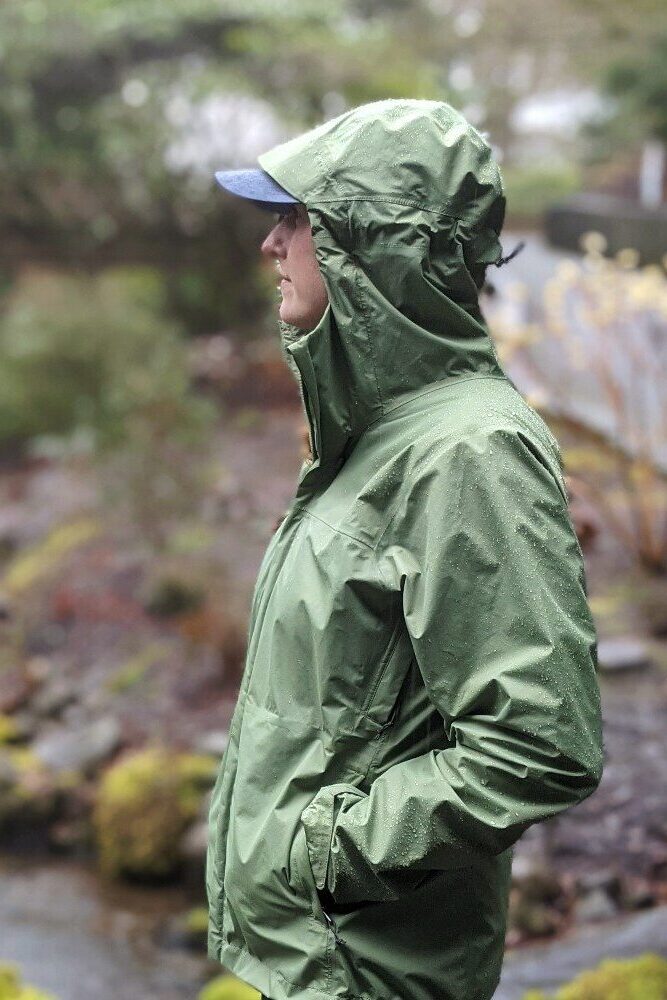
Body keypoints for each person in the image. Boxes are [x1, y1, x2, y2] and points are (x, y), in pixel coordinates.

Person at [205, 98, 603, 1000]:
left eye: (291, 218)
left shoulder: (468, 453)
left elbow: (537, 745)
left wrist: (325, 850)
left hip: (364, 972)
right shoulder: (378, 436)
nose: (271, 245)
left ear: (366, 243)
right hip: (317, 962)